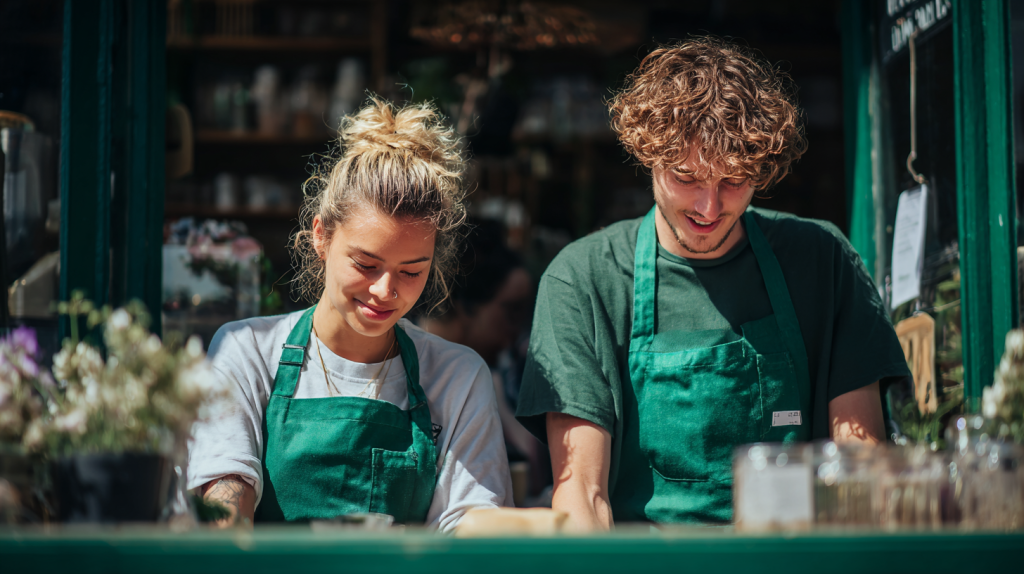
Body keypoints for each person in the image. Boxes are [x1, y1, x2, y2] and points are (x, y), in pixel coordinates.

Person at [515, 37, 911, 530]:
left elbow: (860, 464)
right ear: (647, 154)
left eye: (733, 181)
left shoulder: (821, 260)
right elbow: (583, 495)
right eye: (686, 177)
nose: (709, 207)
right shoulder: (583, 280)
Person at [187, 98, 513, 531]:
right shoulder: (245, 351)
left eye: (411, 271)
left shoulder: (457, 377)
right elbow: (226, 502)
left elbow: (468, 524)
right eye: (366, 264)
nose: (385, 291)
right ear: (321, 236)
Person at [418, 220, 548, 499]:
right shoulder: (410, 367)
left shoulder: (500, 370)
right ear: (466, 304)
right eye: (511, 313)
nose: (516, 330)